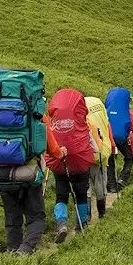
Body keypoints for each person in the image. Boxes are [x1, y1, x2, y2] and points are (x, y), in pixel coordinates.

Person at [0, 113, 67, 255]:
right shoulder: (37, 112)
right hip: (29, 172)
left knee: (12, 217)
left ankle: (12, 254)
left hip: (2, 171)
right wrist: (61, 153)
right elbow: (53, 149)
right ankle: (25, 250)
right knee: (36, 217)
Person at [44, 88, 97, 242]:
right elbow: (93, 146)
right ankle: (82, 225)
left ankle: (61, 224)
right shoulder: (83, 125)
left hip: (59, 160)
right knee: (81, 194)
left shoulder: (53, 124)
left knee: (61, 195)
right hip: (80, 161)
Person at [84, 95, 116, 219]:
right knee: (100, 183)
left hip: (83, 153)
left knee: (86, 187)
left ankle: (86, 218)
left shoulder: (79, 108)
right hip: (101, 151)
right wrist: (112, 143)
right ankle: (102, 214)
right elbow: (107, 125)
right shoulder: (99, 105)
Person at [105, 86, 133, 190]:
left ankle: (111, 186)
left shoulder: (107, 109)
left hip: (108, 137)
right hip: (121, 137)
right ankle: (122, 180)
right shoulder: (127, 111)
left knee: (110, 160)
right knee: (129, 158)